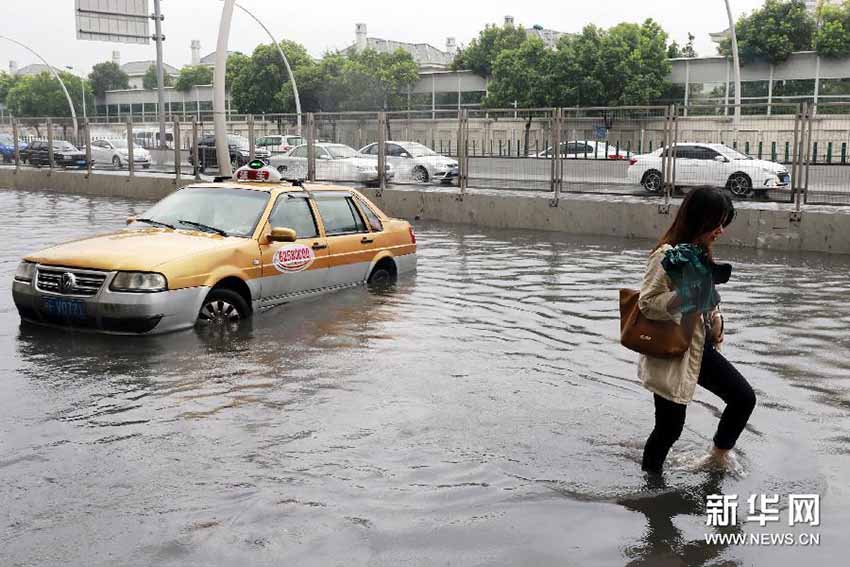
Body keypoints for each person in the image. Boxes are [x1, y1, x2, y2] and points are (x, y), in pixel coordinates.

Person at [638, 187, 756, 474]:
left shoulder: (699, 253)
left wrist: (716, 320)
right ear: (699, 220)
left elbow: (708, 299)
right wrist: (684, 297)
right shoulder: (667, 255)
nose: (721, 231)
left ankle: (717, 458)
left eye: (723, 224)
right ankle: (650, 486)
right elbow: (647, 303)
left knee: (743, 398)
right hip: (672, 351)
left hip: (698, 348)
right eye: (717, 223)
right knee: (669, 430)